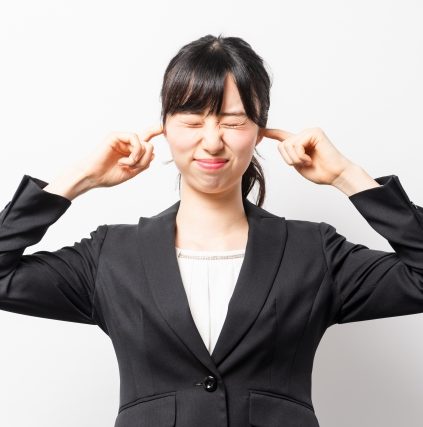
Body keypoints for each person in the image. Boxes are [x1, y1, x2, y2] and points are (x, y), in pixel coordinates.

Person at [0, 34, 422, 427]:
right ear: (164, 127)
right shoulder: (113, 255)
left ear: (260, 131)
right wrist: (79, 178)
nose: (212, 140)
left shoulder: (313, 251)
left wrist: (348, 176)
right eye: (192, 120)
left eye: (233, 122)